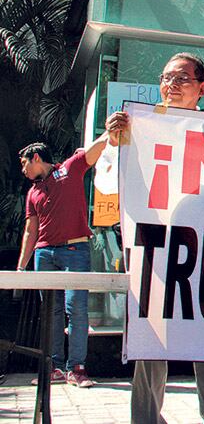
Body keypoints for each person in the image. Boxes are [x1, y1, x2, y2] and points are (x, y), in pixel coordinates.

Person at [108, 53, 204, 424]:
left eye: (182, 78)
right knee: (150, 342)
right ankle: (146, 419)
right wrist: (115, 141)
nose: (172, 85)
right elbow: (106, 182)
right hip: (155, 252)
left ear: (202, 88)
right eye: (166, 77)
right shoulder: (139, 127)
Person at [17, 125, 119, 388]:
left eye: (24, 164)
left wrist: (110, 131)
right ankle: (54, 367)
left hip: (75, 250)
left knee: (76, 309)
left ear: (36, 158)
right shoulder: (33, 192)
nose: (23, 170)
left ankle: (77, 368)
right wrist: (21, 268)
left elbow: (94, 152)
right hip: (44, 254)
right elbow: (31, 230)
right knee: (50, 311)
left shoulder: (70, 168)